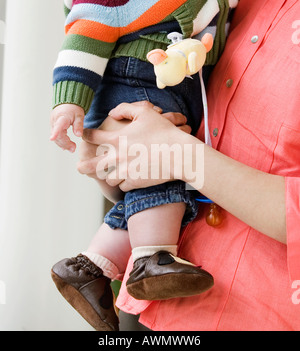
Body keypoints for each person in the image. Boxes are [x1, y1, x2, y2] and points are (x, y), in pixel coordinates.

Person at [76, 0, 300, 331]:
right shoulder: (226, 7)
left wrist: (176, 153)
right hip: (168, 307)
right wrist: (116, 155)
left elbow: (177, 153)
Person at [50, 0, 238, 331]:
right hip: (136, 77)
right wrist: (69, 100)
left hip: (167, 80)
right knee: (160, 171)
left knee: (151, 176)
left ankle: (91, 267)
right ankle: (152, 257)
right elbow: (89, 25)